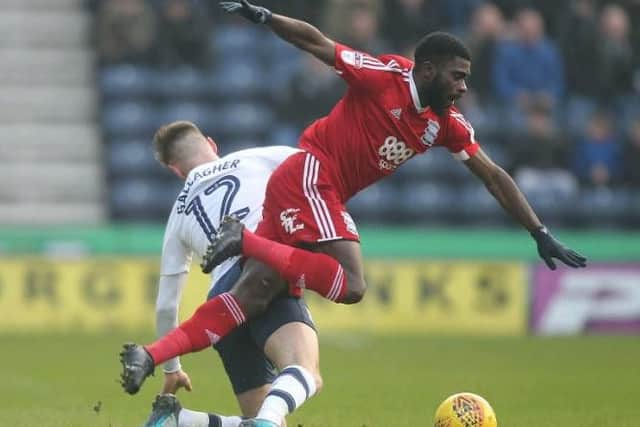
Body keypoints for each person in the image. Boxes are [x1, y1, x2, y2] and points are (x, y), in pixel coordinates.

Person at [121, 3, 587, 426]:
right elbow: (317, 42)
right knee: (352, 283)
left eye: (466, 77)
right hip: (311, 176)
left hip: (307, 189)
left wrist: (538, 231)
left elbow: (493, 175)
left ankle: (158, 373)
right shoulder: (385, 76)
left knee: (249, 297)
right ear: (426, 70)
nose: (463, 86)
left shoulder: (445, 124)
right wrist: (262, 17)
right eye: (456, 75)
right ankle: (245, 242)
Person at [128, 120, 321, 427]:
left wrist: (171, 369)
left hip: (221, 302)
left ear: (176, 171)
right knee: (304, 371)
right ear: (212, 144)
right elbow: (316, 166)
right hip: (261, 274)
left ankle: (182, 421)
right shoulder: (256, 157)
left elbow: (166, 306)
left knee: (265, 420)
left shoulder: (178, 214)